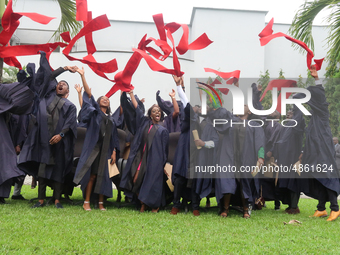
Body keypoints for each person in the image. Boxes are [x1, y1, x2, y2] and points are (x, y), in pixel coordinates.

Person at [19, 52, 77, 209]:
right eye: (60, 83)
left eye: (64, 84)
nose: (61, 84)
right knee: (42, 170)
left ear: (67, 91)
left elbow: (71, 123)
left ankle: (57, 200)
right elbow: (50, 77)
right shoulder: (45, 95)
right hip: (44, 140)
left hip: (59, 142)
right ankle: (41, 200)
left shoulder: (70, 106)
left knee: (57, 171)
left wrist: (61, 135)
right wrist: (65, 68)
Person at [73, 67, 120, 211]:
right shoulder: (95, 113)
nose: (105, 99)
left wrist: (113, 152)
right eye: (102, 98)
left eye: (107, 99)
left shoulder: (111, 120)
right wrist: (83, 76)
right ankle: (86, 201)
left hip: (106, 152)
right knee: (92, 176)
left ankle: (100, 203)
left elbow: (113, 138)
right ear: (98, 103)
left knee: (103, 176)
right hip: (94, 150)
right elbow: (89, 95)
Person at [120, 90, 169, 212]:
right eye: (154, 111)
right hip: (140, 158)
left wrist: (162, 164)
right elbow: (137, 110)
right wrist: (131, 94)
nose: (157, 112)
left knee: (153, 183)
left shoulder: (163, 130)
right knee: (135, 179)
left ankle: (153, 205)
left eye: (158, 111)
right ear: (150, 115)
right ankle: (142, 201)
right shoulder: (144, 123)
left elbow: (165, 150)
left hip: (154, 161)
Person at [301, 65, 340, 221]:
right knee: (318, 178)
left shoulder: (323, 112)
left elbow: (321, 96)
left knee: (326, 177)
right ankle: (321, 209)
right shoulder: (314, 117)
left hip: (324, 153)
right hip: (316, 154)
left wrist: (317, 78)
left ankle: (335, 209)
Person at [0, 71, 34, 204]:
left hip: (7, 141)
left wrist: (17, 143)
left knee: (5, 165)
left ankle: (2, 195)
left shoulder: (10, 112)